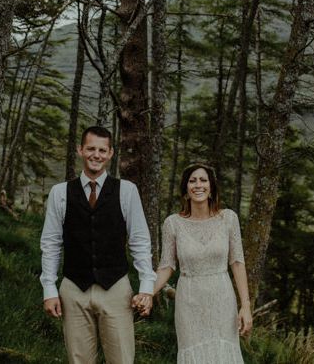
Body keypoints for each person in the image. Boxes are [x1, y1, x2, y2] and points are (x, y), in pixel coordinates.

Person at [40, 125, 155, 364]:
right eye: (91, 148)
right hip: (74, 288)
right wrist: (49, 289)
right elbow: (51, 244)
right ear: (80, 150)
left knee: (122, 359)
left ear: (111, 153)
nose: (96, 155)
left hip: (115, 288)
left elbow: (140, 241)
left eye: (102, 150)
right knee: (78, 360)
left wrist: (146, 287)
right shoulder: (60, 193)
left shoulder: (127, 191)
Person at [149, 162, 253, 363]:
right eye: (192, 181)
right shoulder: (173, 223)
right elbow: (167, 266)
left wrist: (245, 306)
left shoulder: (228, 219)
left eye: (203, 180)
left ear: (211, 187)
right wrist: (147, 293)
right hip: (189, 302)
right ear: (185, 189)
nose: (198, 185)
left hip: (222, 300)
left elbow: (237, 262)